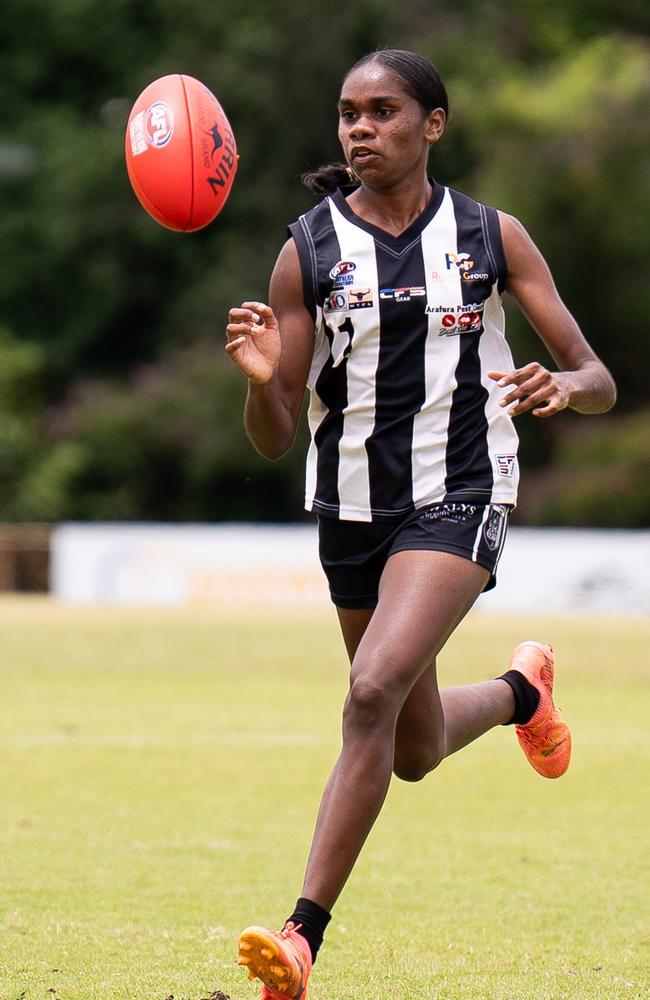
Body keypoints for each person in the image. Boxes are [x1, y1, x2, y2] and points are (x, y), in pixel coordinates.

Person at [225, 48, 616, 1000]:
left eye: (383, 111)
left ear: (432, 124)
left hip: (462, 490)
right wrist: (261, 384)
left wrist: (562, 384)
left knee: (371, 693)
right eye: (348, 114)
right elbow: (277, 437)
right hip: (350, 509)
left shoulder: (490, 235)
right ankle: (524, 693)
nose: (360, 129)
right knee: (412, 745)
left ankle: (301, 935)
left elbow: (597, 378)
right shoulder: (306, 251)